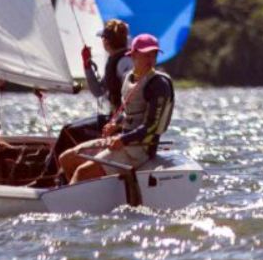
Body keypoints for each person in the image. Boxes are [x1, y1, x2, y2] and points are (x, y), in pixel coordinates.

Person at [61, 33, 175, 185]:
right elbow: (130, 113)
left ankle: (68, 203)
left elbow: (152, 126)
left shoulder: (159, 84)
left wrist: (123, 138)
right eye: (146, 55)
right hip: (123, 142)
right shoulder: (129, 78)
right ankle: (83, 197)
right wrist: (117, 124)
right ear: (133, 55)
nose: (151, 59)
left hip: (140, 149)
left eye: (153, 55)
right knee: (66, 158)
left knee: (82, 172)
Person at [46, 19, 132, 175]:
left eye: (103, 39)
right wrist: (87, 65)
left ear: (106, 41)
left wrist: (120, 122)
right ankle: (61, 174)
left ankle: (48, 176)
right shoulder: (117, 60)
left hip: (118, 123)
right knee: (69, 130)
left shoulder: (123, 62)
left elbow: (131, 91)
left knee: (68, 132)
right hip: (112, 119)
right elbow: (98, 91)